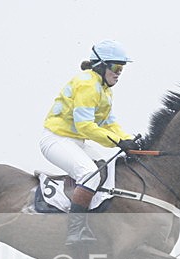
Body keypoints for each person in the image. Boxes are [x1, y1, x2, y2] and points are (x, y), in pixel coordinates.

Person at [40, 39, 140, 246]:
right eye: (115, 67)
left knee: (110, 165)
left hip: (76, 141)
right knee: (89, 173)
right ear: (100, 65)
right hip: (56, 139)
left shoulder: (105, 90)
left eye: (122, 68)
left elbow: (109, 123)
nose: (119, 72)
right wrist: (119, 141)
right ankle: (75, 231)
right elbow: (85, 125)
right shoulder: (87, 84)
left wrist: (127, 140)